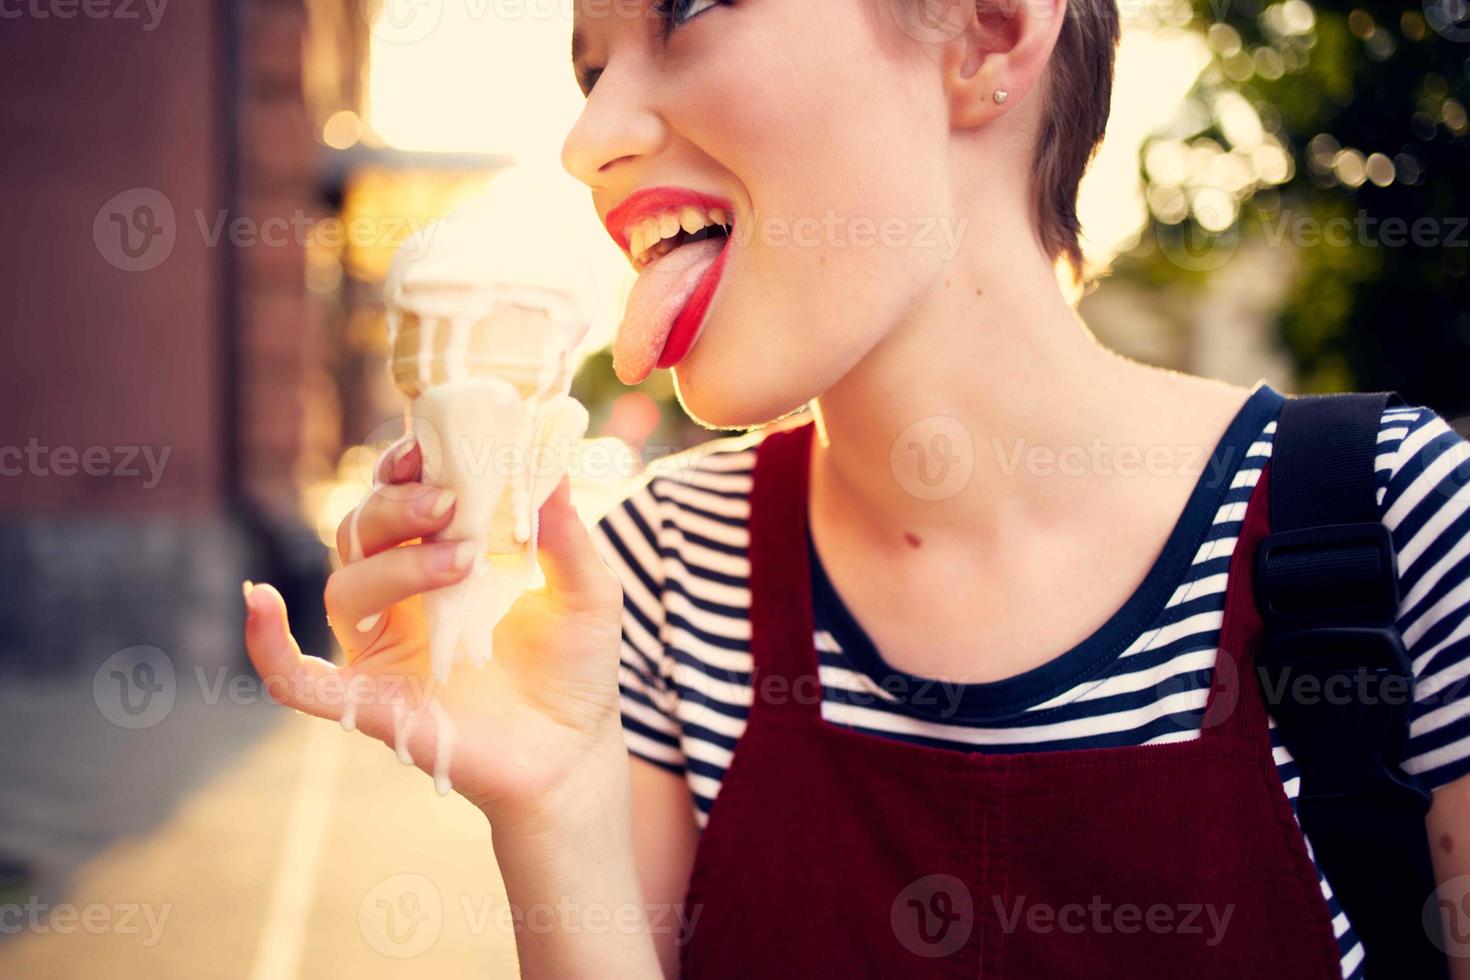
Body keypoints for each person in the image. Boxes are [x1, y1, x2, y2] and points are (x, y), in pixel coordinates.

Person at [243, 0, 1470, 976]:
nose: (587, 139)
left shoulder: (1385, 521)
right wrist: (552, 801)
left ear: (986, 31)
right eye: (588, 67)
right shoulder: (659, 572)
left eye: (684, 10)